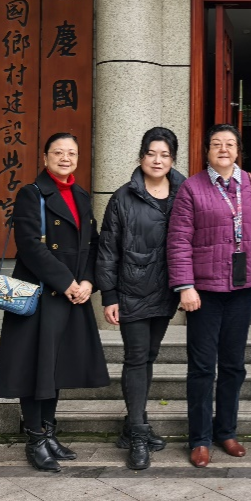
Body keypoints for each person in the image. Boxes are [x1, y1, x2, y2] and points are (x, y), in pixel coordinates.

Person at [0, 132, 110, 473]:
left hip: (73, 295)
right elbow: (30, 246)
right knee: (35, 368)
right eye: (58, 152)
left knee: (54, 368)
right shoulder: (31, 194)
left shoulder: (81, 195)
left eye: (71, 153)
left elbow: (92, 245)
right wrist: (67, 282)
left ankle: (49, 433)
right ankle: (35, 440)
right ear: (45, 158)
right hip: (41, 294)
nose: (65, 158)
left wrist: (88, 282)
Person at [167, 123, 251, 468]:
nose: (223, 149)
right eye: (216, 144)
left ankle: (226, 431)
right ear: (207, 151)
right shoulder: (191, 188)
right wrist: (185, 285)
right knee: (202, 367)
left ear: (238, 150)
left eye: (229, 144)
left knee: (233, 364)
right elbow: (179, 239)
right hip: (204, 291)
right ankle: (199, 438)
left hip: (241, 288)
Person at [95, 127, 186, 471]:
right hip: (131, 290)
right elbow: (107, 249)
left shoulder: (184, 192)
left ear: (173, 159)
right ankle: (137, 433)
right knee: (136, 357)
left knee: (148, 355)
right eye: (151, 153)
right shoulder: (123, 197)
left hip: (166, 290)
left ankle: (134, 423)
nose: (157, 160)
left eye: (165, 155)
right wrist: (109, 295)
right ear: (141, 156)